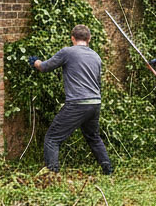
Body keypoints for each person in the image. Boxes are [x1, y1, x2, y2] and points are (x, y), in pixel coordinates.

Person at [29, 25, 112, 175]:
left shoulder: (67, 52)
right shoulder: (96, 56)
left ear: (72, 38)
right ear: (89, 39)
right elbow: (98, 82)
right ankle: (108, 169)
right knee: (93, 137)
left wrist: (35, 62)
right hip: (95, 103)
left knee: (52, 139)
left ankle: (52, 175)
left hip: (77, 104)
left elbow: (44, 67)